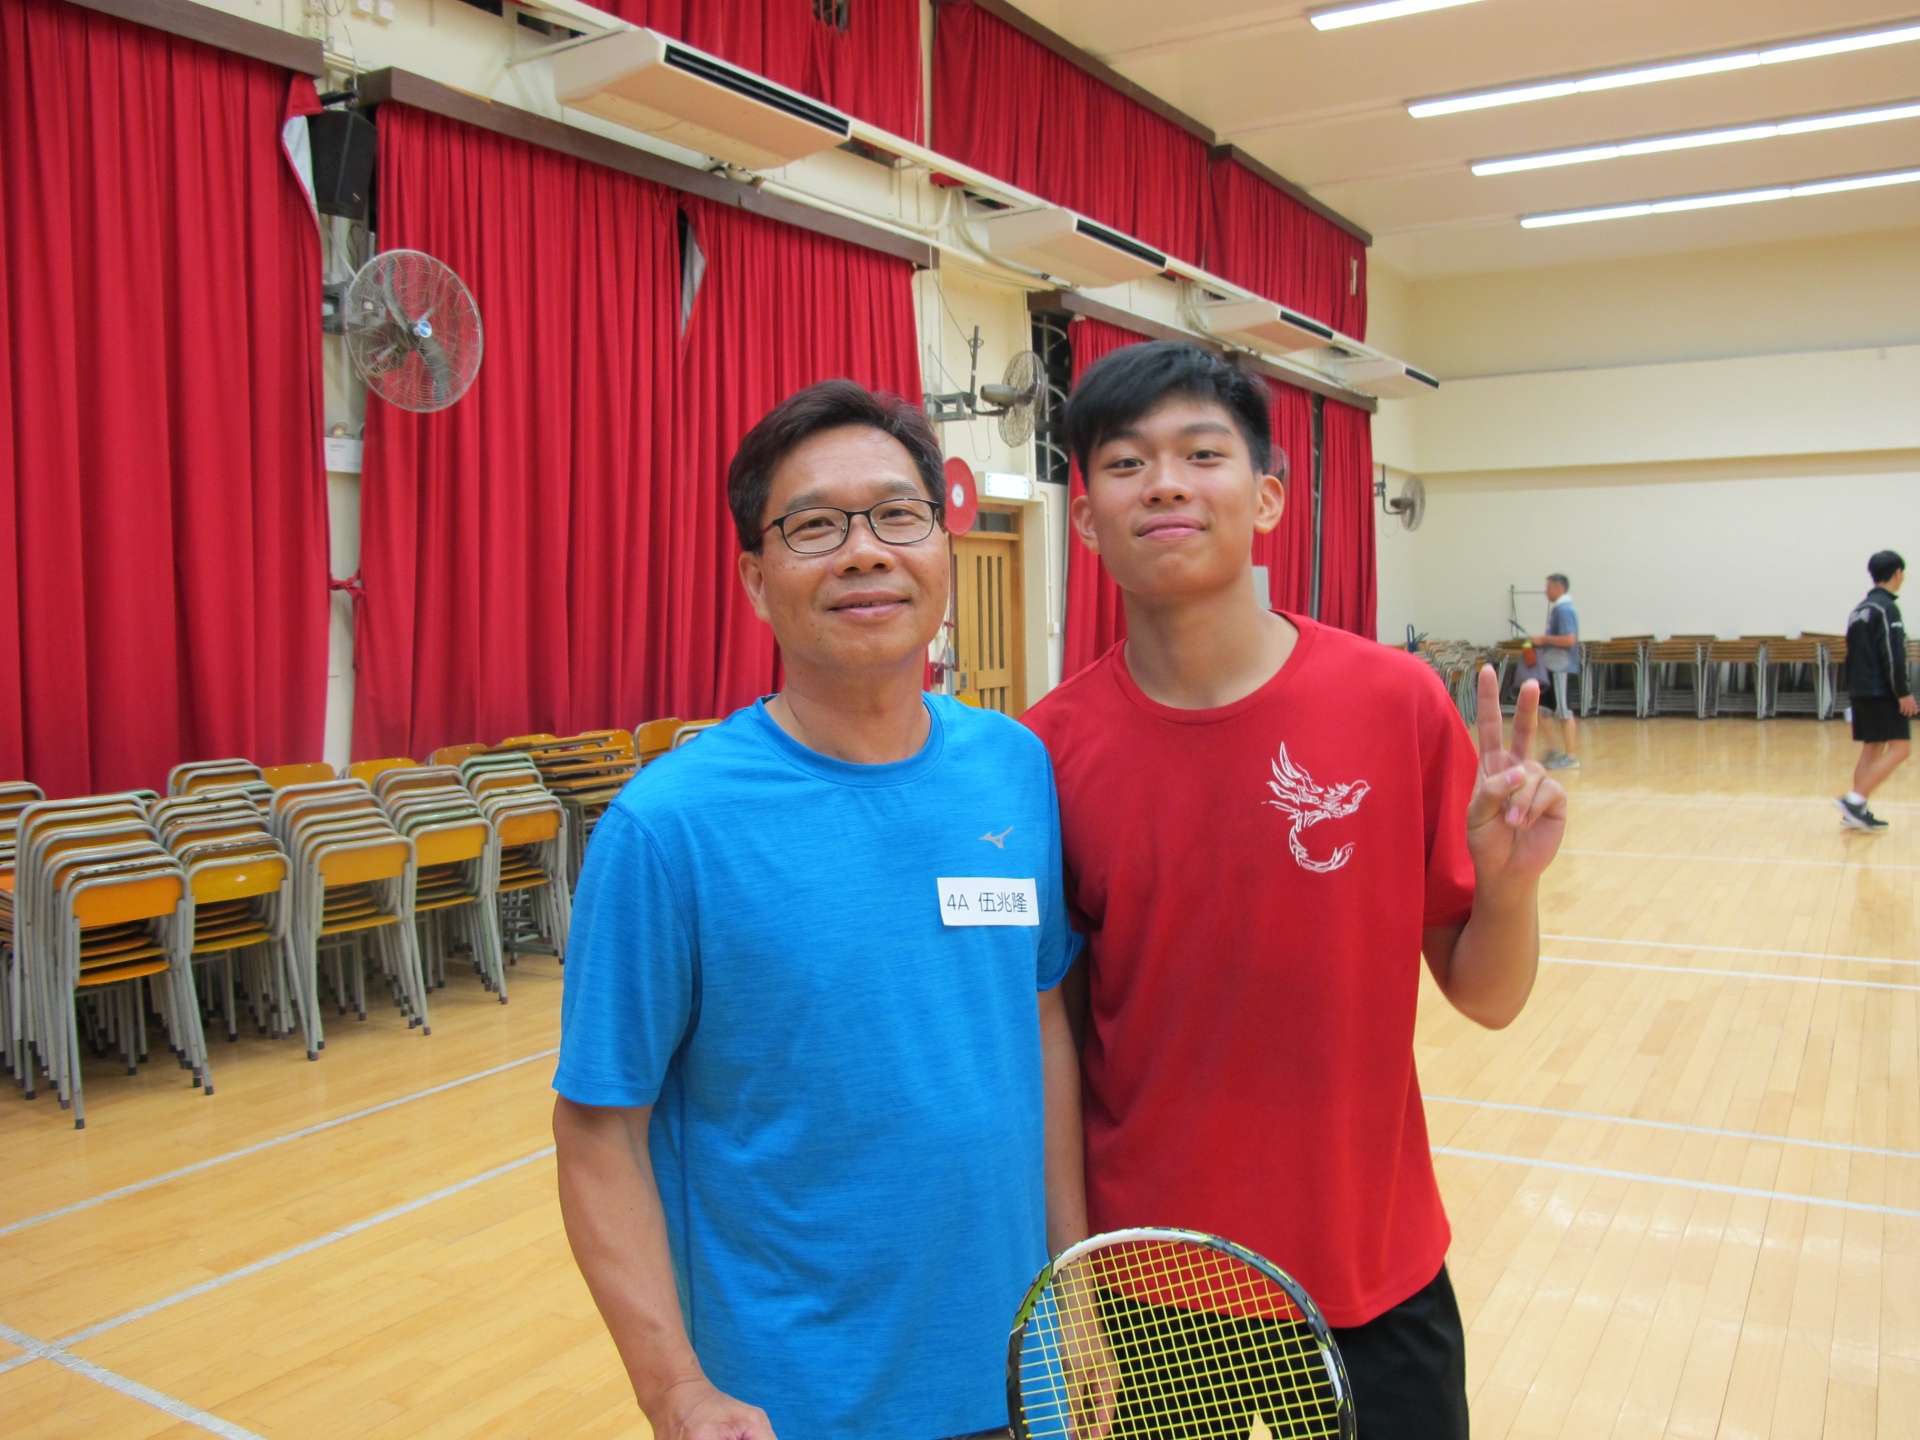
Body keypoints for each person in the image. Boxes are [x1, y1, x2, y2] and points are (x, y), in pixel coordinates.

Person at [1023, 342, 1568, 1440]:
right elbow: (1055, 1040)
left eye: (1202, 454)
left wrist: (1510, 893)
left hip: (1375, 1273)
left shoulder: (1394, 703)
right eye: (1125, 463)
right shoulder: (1048, 751)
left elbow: (1488, 997)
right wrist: (1071, 1279)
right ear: (1085, 521)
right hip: (1152, 1287)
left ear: (1268, 497)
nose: (1164, 484)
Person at [551, 380, 1085, 1440]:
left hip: (1017, 1378)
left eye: (897, 515)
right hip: (791, 1402)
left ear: (942, 546)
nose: (864, 552)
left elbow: (1042, 1028)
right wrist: (673, 1388)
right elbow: (598, 1129)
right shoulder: (668, 828)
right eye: (814, 527)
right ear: (755, 579)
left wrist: (1073, 1291)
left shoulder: (1014, 767)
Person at [1839, 549, 1914, 831]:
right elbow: (1892, 655)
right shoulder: (1887, 609)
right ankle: (1855, 800)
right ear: (1898, 573)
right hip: (1880, 691)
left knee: (1872, 747)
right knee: (1901, 748)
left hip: (1860, 689)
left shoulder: (1859, 610)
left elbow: (1851, 654)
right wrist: (1902, 692)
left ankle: (1855, 813)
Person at [1530, 573, 1580, 771]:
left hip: (1562, 669)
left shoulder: (1565, 610)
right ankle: (1553, 750)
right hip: (1551, 667)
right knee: (1542, 710)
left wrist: (1544, 639)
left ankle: (1571, 757)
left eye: (1548, 587)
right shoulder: (1558, 609)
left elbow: (1569, 639)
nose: (1546, 591)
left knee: (1564, 712)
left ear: (1560, 588)